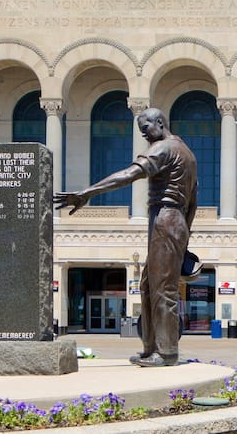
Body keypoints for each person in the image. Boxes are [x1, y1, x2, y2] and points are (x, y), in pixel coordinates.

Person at [54, 107, 197, 367]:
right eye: (140, 130)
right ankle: (150, 347)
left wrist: (87, 192)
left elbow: (131, 174)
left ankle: (167, 353)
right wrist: (184, 233)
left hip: (166, 218)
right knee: (147, 285)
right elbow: (193, 204)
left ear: (160, 123)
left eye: (146, 128)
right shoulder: (187, 152)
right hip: (172, 221)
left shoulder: (165, 148)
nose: (143, 134)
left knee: (162, 289)